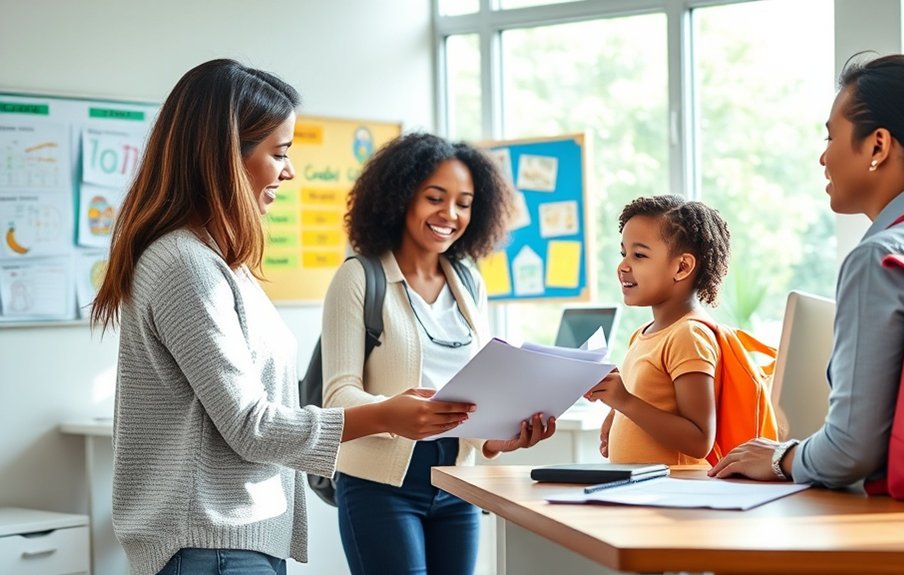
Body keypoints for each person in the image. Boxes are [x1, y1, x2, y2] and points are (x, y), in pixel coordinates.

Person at [90, 59, 477, 575]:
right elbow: (251, 425)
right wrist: (386, 415)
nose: (289, 171)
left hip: (234, 539)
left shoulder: (221, 264)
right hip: (210, 542)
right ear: (225, 157)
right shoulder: (185, 265)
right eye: (279, 153)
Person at [708, 53, 904, 487]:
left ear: (878, 146)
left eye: (831, 136)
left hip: (901, 512)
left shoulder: (882, 257)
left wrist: (781, 457)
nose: (822, 157)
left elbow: (849, 451)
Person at [321, 132, 557, 575]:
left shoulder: (468, 282)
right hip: (380, 486)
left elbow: (477, 394)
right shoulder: (359, 277)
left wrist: (499, 438)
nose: (450, 214)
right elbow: (337, 397)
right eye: (435, 198)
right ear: (400, 197)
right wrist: (393, 413)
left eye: (464, 203)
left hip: (458, 481)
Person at [585, 195, 732, 466]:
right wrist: (617, 411)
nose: (623, 266)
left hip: (675, 489)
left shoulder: (689, 335)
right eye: (623, 254)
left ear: (682, 267)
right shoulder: (642, 334)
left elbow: (700, 440)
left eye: (639, 255)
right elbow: (651, 404)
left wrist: (625, 402)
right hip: (644, 487)